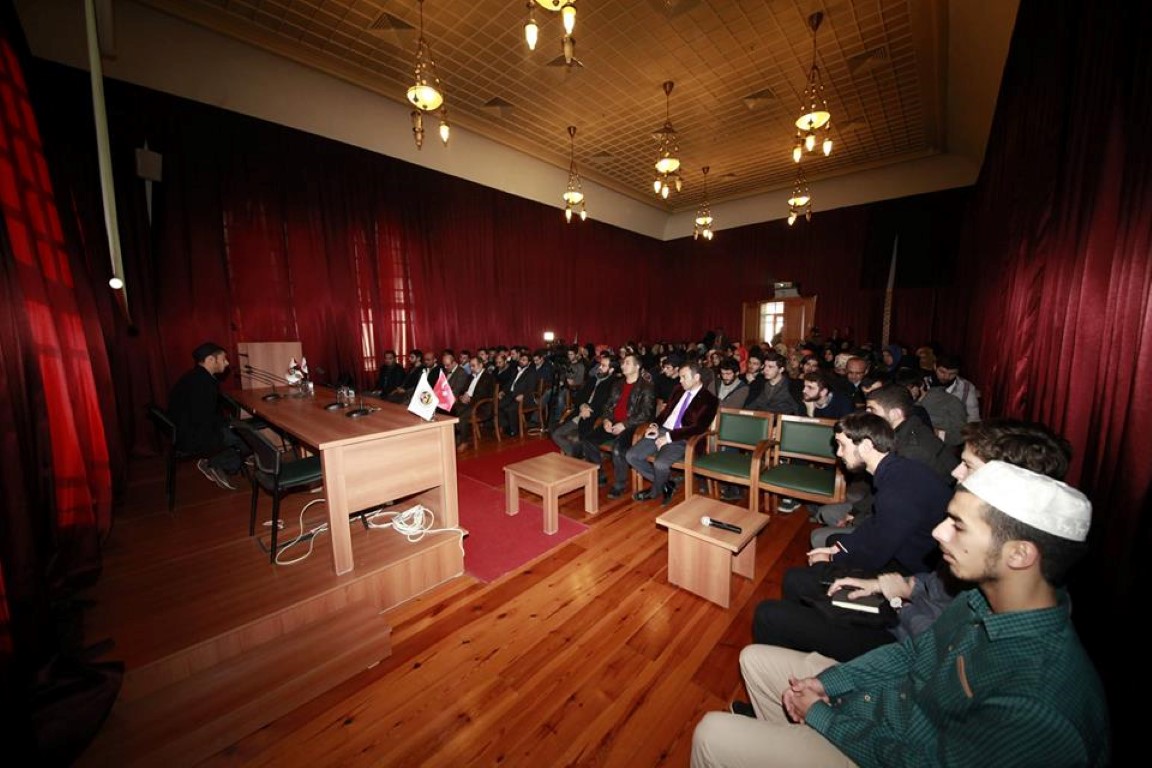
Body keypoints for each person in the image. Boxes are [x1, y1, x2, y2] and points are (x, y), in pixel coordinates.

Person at [692, 460, 1110, 767]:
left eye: (958, 526)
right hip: (889, 705)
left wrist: (821, 715)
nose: (938, 532)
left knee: (711, 733)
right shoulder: (979, 599)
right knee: (754, 658)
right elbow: (912, 654)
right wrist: (827, 683)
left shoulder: (1039, 704)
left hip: (892, 748)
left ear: (1019, 554)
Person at [751, 417, 1073, 662]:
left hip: (901, 638)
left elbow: (934, 646)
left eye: (967, 465)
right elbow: (931, 583)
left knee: (775, 611)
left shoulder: (997, 562)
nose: (955, 473)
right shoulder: (981, 540)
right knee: (798, 579)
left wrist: (893, 597)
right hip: (904, 594)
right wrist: (897, 586)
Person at [626, 360, 719, 505]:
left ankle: (655, 491)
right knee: (631, 456)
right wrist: (654, 425)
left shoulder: (710, 400)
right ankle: (667, 483)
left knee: (660, 464)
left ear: (696, 377)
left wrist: (668, 437)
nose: (680, 380)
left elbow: (698, 428)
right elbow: (665, 413)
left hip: (682, 438)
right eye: (680, 377)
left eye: (684, 377)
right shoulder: (678, 390)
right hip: (662, 431)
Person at [167, 341, 244, 490]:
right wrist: (228, 428)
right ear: (210, 360)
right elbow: (203, 420)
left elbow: (206, 413)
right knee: (248, 439)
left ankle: (219, 460)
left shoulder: (195, 377)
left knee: (239, 434)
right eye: (223, 359)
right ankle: (213, 463)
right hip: (193, 436)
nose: (227, 363)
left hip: (185, 432)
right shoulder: (203, 383)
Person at [578, 352, 654, 496]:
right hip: (613, 422)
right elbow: (608, 406)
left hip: (633, 426)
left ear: (637, 367)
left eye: (627, 363)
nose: (623, 365)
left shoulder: (646, 387)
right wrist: (606, 419)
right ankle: (599, 475)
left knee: (618, 448)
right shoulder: (618, 384)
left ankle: (620, 484)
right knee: (588, 440)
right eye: (623, 363)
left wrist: (625, 425)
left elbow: (645, 414)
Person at [551, 353, 615, 457]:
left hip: (594, 417)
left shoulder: (613, 384)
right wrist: (582, 406)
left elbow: (606, 404)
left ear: (611, 370)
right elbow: (579, 397)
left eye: (603, 366)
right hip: (580, 413)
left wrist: (589, 409)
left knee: (580, 440)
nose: (599, 367)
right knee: (556, 434)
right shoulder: (593, 379)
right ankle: (576, 456)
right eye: (600, 364)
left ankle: (579, 456)